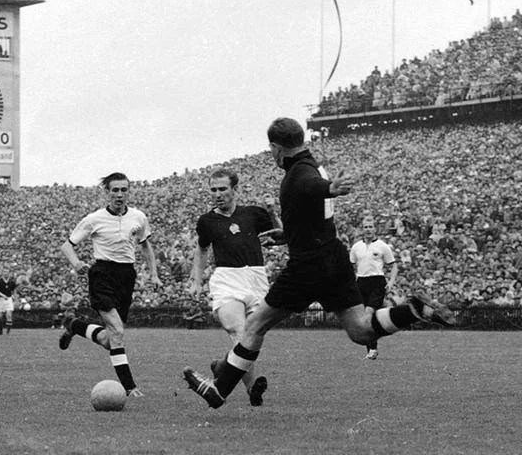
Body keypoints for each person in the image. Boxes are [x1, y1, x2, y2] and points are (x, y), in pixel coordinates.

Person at [183, 118, 455, 408]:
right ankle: (414, 310)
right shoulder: (313, 164)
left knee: (253, 326)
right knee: (360, 330)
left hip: (307, 265)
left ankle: (218, 391)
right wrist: (288, 234)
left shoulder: (299, 174)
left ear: (275, 147)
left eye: (272, 150)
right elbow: (312, 199)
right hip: (333, 257)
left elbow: (311, 187)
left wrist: (330, 189)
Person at [58, 172, 163, 398]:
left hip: (126, 276)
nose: (119, 194)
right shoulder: (94, 219)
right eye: (115, 190)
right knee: (117, 330)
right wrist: (76, 263)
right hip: (102, 274)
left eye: (123, 190)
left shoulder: (138, 217)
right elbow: (67, 246)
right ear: (107, 193)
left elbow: (146, 247)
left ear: (128, 192)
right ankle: (129, 387)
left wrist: (154, 274)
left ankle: (74, 325)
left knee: (109, 339)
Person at [189, 168, 281, 406]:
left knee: (252, 336)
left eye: (223, 189)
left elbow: (281, 234)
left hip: (256, 278)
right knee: (238, 331)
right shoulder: (207, 221)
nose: (218, 194)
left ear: (234, 189)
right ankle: (252, 387)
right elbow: (201, 249)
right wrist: (197, 280)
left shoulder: (253, 213)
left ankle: (222, 367)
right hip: (227, 278)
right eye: (213, 189)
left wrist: (273, 211)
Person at [350, 216, 398, 359]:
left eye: (370, 227)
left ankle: (372, 349)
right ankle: (371, 349)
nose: (368, 229)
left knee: (368, 313)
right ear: (362, 229)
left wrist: (391, 282)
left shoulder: (382, 246)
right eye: (366, 227)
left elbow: (393, 265)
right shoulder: (356, 247)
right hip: (361, 282)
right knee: (364, 319)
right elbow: (350, 265)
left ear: (375, 229)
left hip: (377, 282)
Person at [0, 267, 17, 335]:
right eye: (4, 272)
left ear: (9, 273)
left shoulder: (12, 282)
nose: (6, 273)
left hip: (9, 299)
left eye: (7, 272)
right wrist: (3, 295)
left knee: (9, 315)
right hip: (1, 300)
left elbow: (14, 291)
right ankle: (0, 329)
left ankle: (8, 331)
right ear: (2, 273)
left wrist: (15, 298)